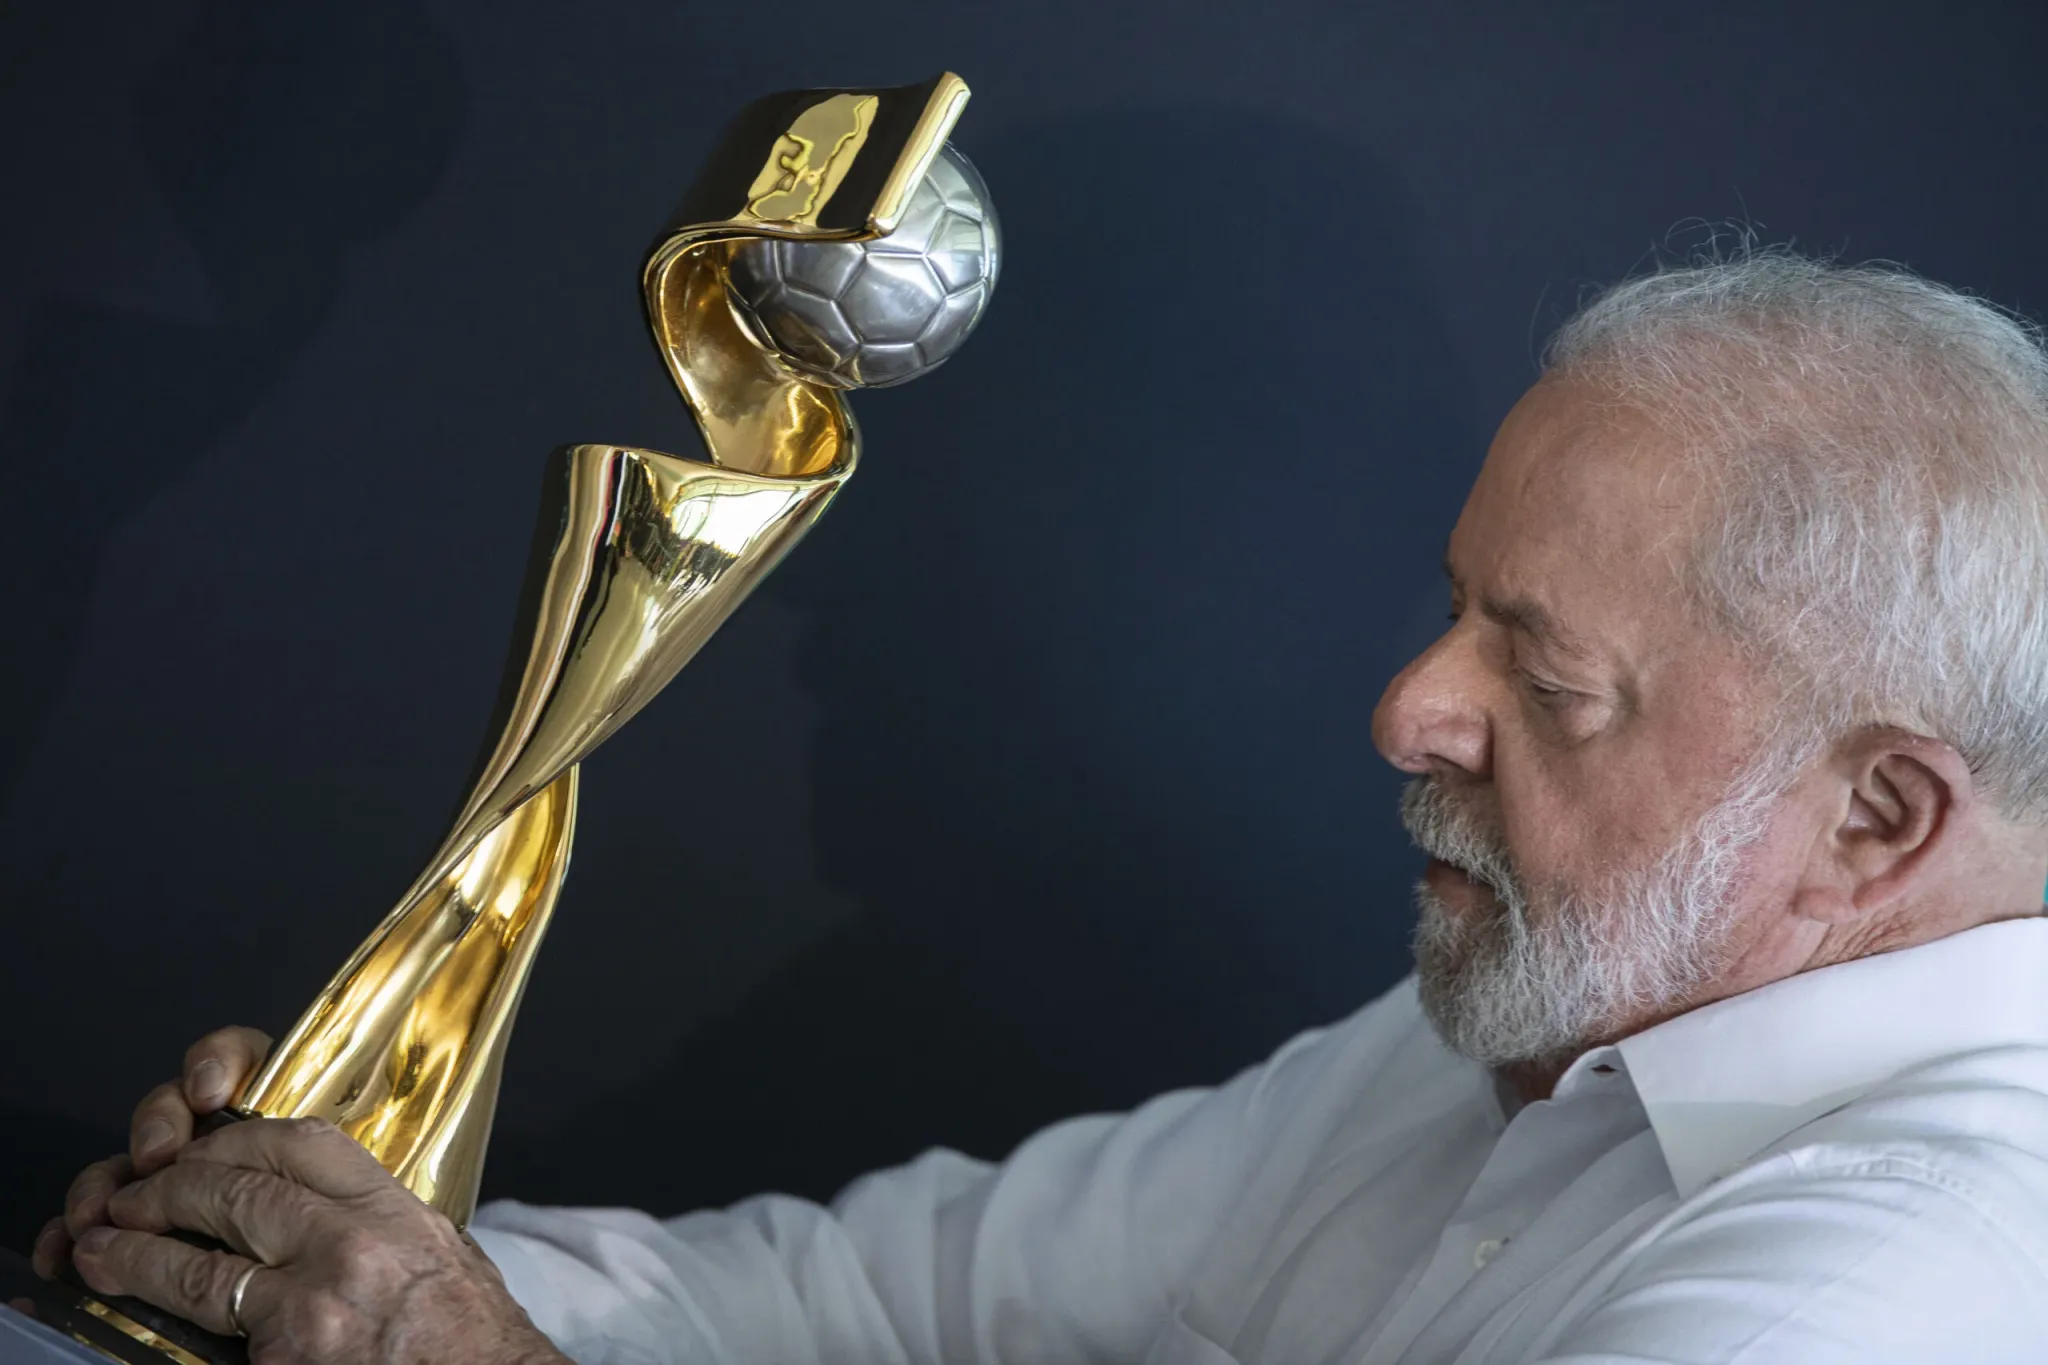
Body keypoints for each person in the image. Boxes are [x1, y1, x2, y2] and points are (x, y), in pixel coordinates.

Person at [28, 250, 2048, 1364]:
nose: (1408, 709)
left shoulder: (1909, 1284)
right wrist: (317, 1250)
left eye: (1548, 678)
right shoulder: (1528, 1030)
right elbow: (846, 1306)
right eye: (1456, 609)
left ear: (1876, 821)